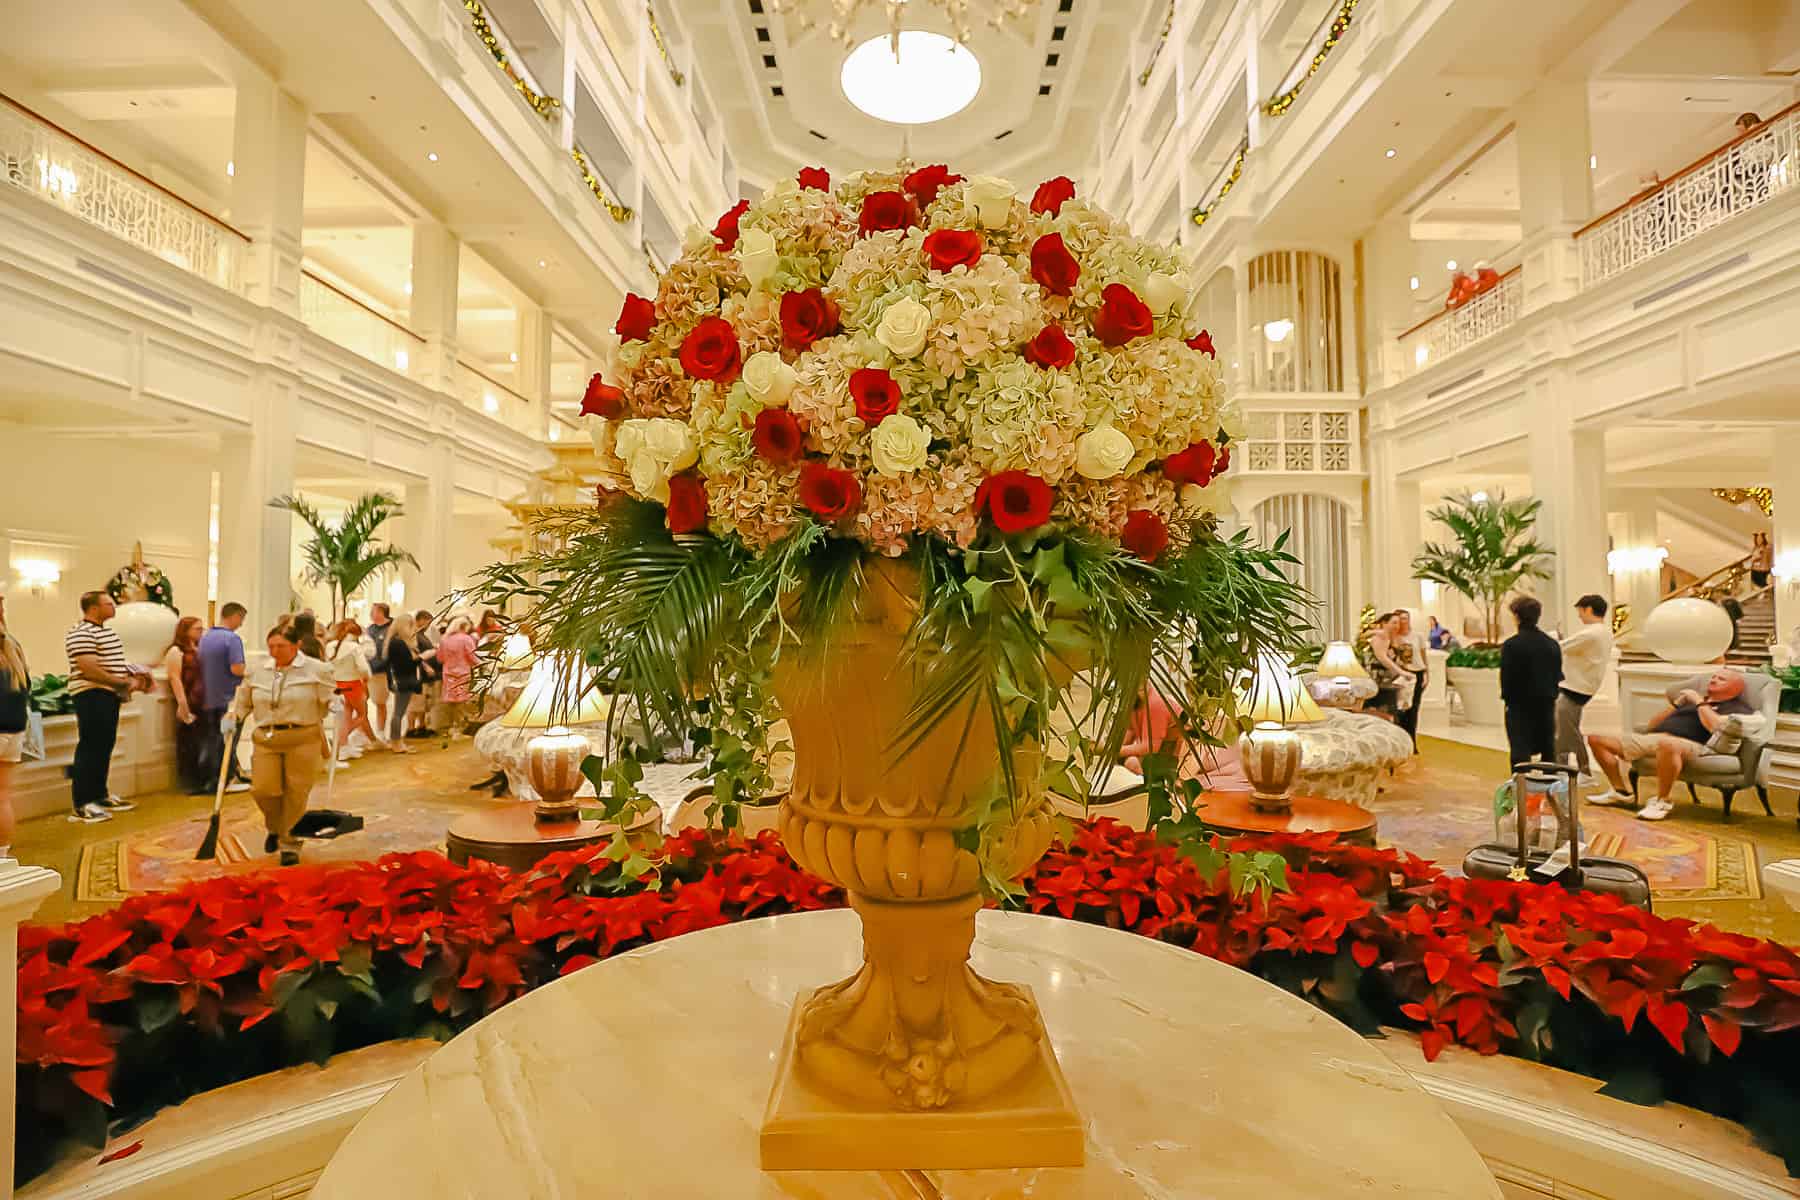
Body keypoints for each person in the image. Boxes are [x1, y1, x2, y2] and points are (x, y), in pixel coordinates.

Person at [224, 625, 334, 865]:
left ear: (296, 646)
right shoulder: (258, 671)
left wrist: (340, 707)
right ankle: (275, 827)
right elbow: (243, 701)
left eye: (281, 646)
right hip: (267, 738)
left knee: (296, 792)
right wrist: (234, 716)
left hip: (303, 737)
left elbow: (330, 701)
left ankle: (289, 844)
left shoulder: (317, 670)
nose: (275, 651)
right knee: (264, 789)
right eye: (271, 646)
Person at [1589, 668, 1759, 821]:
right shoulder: (1691, 702)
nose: (1713, 680)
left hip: (1693, 744)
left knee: (1667, 744)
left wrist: (1699, 702)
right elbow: (1652, 726)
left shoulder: (1737, 708)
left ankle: (1663, 801)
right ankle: (1621, 793)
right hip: (1658, 738)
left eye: (1721, 679)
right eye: (1713, 677)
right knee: (1597, 739)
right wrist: (1676, 705)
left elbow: (1715, 727)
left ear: (1736, 688)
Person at [64, 591, 149, 822]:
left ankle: (99, 795)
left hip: (108, 695)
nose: (113, 607)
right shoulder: (81, 633)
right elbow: (88, 668)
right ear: (93, 608)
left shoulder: (106, 631)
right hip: (91, 694)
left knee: (104, 745)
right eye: (108, 604)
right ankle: (83, 803)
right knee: (90, 746)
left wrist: (134, 673)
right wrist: (122, 681)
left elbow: (112, 662)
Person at [1556, 595, 1613, 784]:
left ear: (1588, 609)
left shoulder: (1591, 633)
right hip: (1582, 686)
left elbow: (1559, 648)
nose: (1579, 616)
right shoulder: (1603, 631)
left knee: (1566, 730)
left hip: (1575, 687)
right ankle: (1563, 768)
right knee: (1566, 728)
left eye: (1580, 611)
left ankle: (1583, 771)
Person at [1499, 596, 1561, 767]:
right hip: (1546, 705)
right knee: (1548, 750)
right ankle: (1550, 790)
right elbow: (1557, 676)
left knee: (1520, 753)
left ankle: (1520, 790)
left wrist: (1508, 701)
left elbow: (1507, 679)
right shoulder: (1552, 644)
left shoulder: (1511, 645)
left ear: (1517, 617)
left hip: (1519, 707)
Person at [197, 603, 251, 796]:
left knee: (212, 740)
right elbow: (236, 668)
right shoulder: (232, 639)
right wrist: (250, 673)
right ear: (235, 616)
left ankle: (212, 779)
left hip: (209, 696)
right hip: (229, 698)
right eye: (241, 619)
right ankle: (224, 780)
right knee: (228, 741)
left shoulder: (206, 637)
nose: (241, 623)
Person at [0, 590, 32, 859]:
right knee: (2, 796)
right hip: (14, 730)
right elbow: (26, 687)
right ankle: (2, 855)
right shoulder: (13, 645)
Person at [162, 616, 208, 794]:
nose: (201, 632)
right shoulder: (176, 651)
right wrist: (182, 704)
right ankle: (191, 782)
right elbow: (175, 677)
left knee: (205, 741)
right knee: (190, 743)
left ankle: (206, 778)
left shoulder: (200, 649)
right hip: (190, 700)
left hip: (205, 700)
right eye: (197, 629)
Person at [325, 620, 378, 763]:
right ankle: (339, 740)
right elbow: (363, 668)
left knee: (346, 714)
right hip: (353, 684)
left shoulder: (330, 646)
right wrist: (366, 679)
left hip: (336, 685)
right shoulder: (354, 647)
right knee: (361, 715)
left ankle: (344, 747)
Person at [382, 613, 422, 753]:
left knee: (399, 712)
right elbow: (406, 664)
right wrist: (420, 658)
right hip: (403, 679)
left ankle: (397, 741)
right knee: (399, 713)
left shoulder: (394, 641)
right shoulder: (398, 643)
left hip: (401, 679)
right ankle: (396, 743)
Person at [435, 616, 480, 738]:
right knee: (462, 701)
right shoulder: (466, 639)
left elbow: (439, 658)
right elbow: (472, 656)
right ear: (463, 627)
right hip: (463, 672)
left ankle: (452, 727)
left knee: (451, 702)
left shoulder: (445, 640)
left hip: (448, 673)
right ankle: (459, 729)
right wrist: (482, 664)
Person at [1394, 610, 1429, 749]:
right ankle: (1403, 741)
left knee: (1414, 708)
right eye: (1401, 619)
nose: (1404, 621)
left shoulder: (1417, 636)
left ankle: (1412, 742)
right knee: (1402, 708)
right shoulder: (1395, 638)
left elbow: (1423, 655)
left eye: (1406, 618)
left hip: (1418, 672)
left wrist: (1427, 673)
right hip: (1404, 673)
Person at [365, 603, 393, 744]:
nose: (371, 614)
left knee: (380, 702)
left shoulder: (391, 628)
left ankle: (381, 732)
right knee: (361, 702)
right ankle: (363, 734)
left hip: (381, 671)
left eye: (373, 611)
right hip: (365, 670)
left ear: (381, 612)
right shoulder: (370, 629)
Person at [409, 610, 440, 737]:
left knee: (423, 703)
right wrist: (426, 666)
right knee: (415, 704)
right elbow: (414, 655)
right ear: (421, 619)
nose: (428, 625)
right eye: (428, 622)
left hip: (425, 676)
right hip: (418, 673)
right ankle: (411, 729)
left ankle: (421, 726)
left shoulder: (422, 634)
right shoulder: (413, 634)